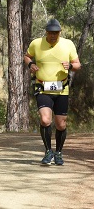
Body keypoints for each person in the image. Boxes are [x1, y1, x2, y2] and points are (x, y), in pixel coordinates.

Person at [24, 18, 81, 165]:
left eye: (56, 33)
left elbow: (77, 64)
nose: (53, 36)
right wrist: (31, 64)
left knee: (61, 124)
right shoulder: (36, 43)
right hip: (42, 87)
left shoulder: (68, 44)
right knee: (45, 120)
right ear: (46, 32)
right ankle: (48, 151)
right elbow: (27, 56)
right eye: (50, 33)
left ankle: (59, 153)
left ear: (59, 32)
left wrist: (71, 66)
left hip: (62, 88)